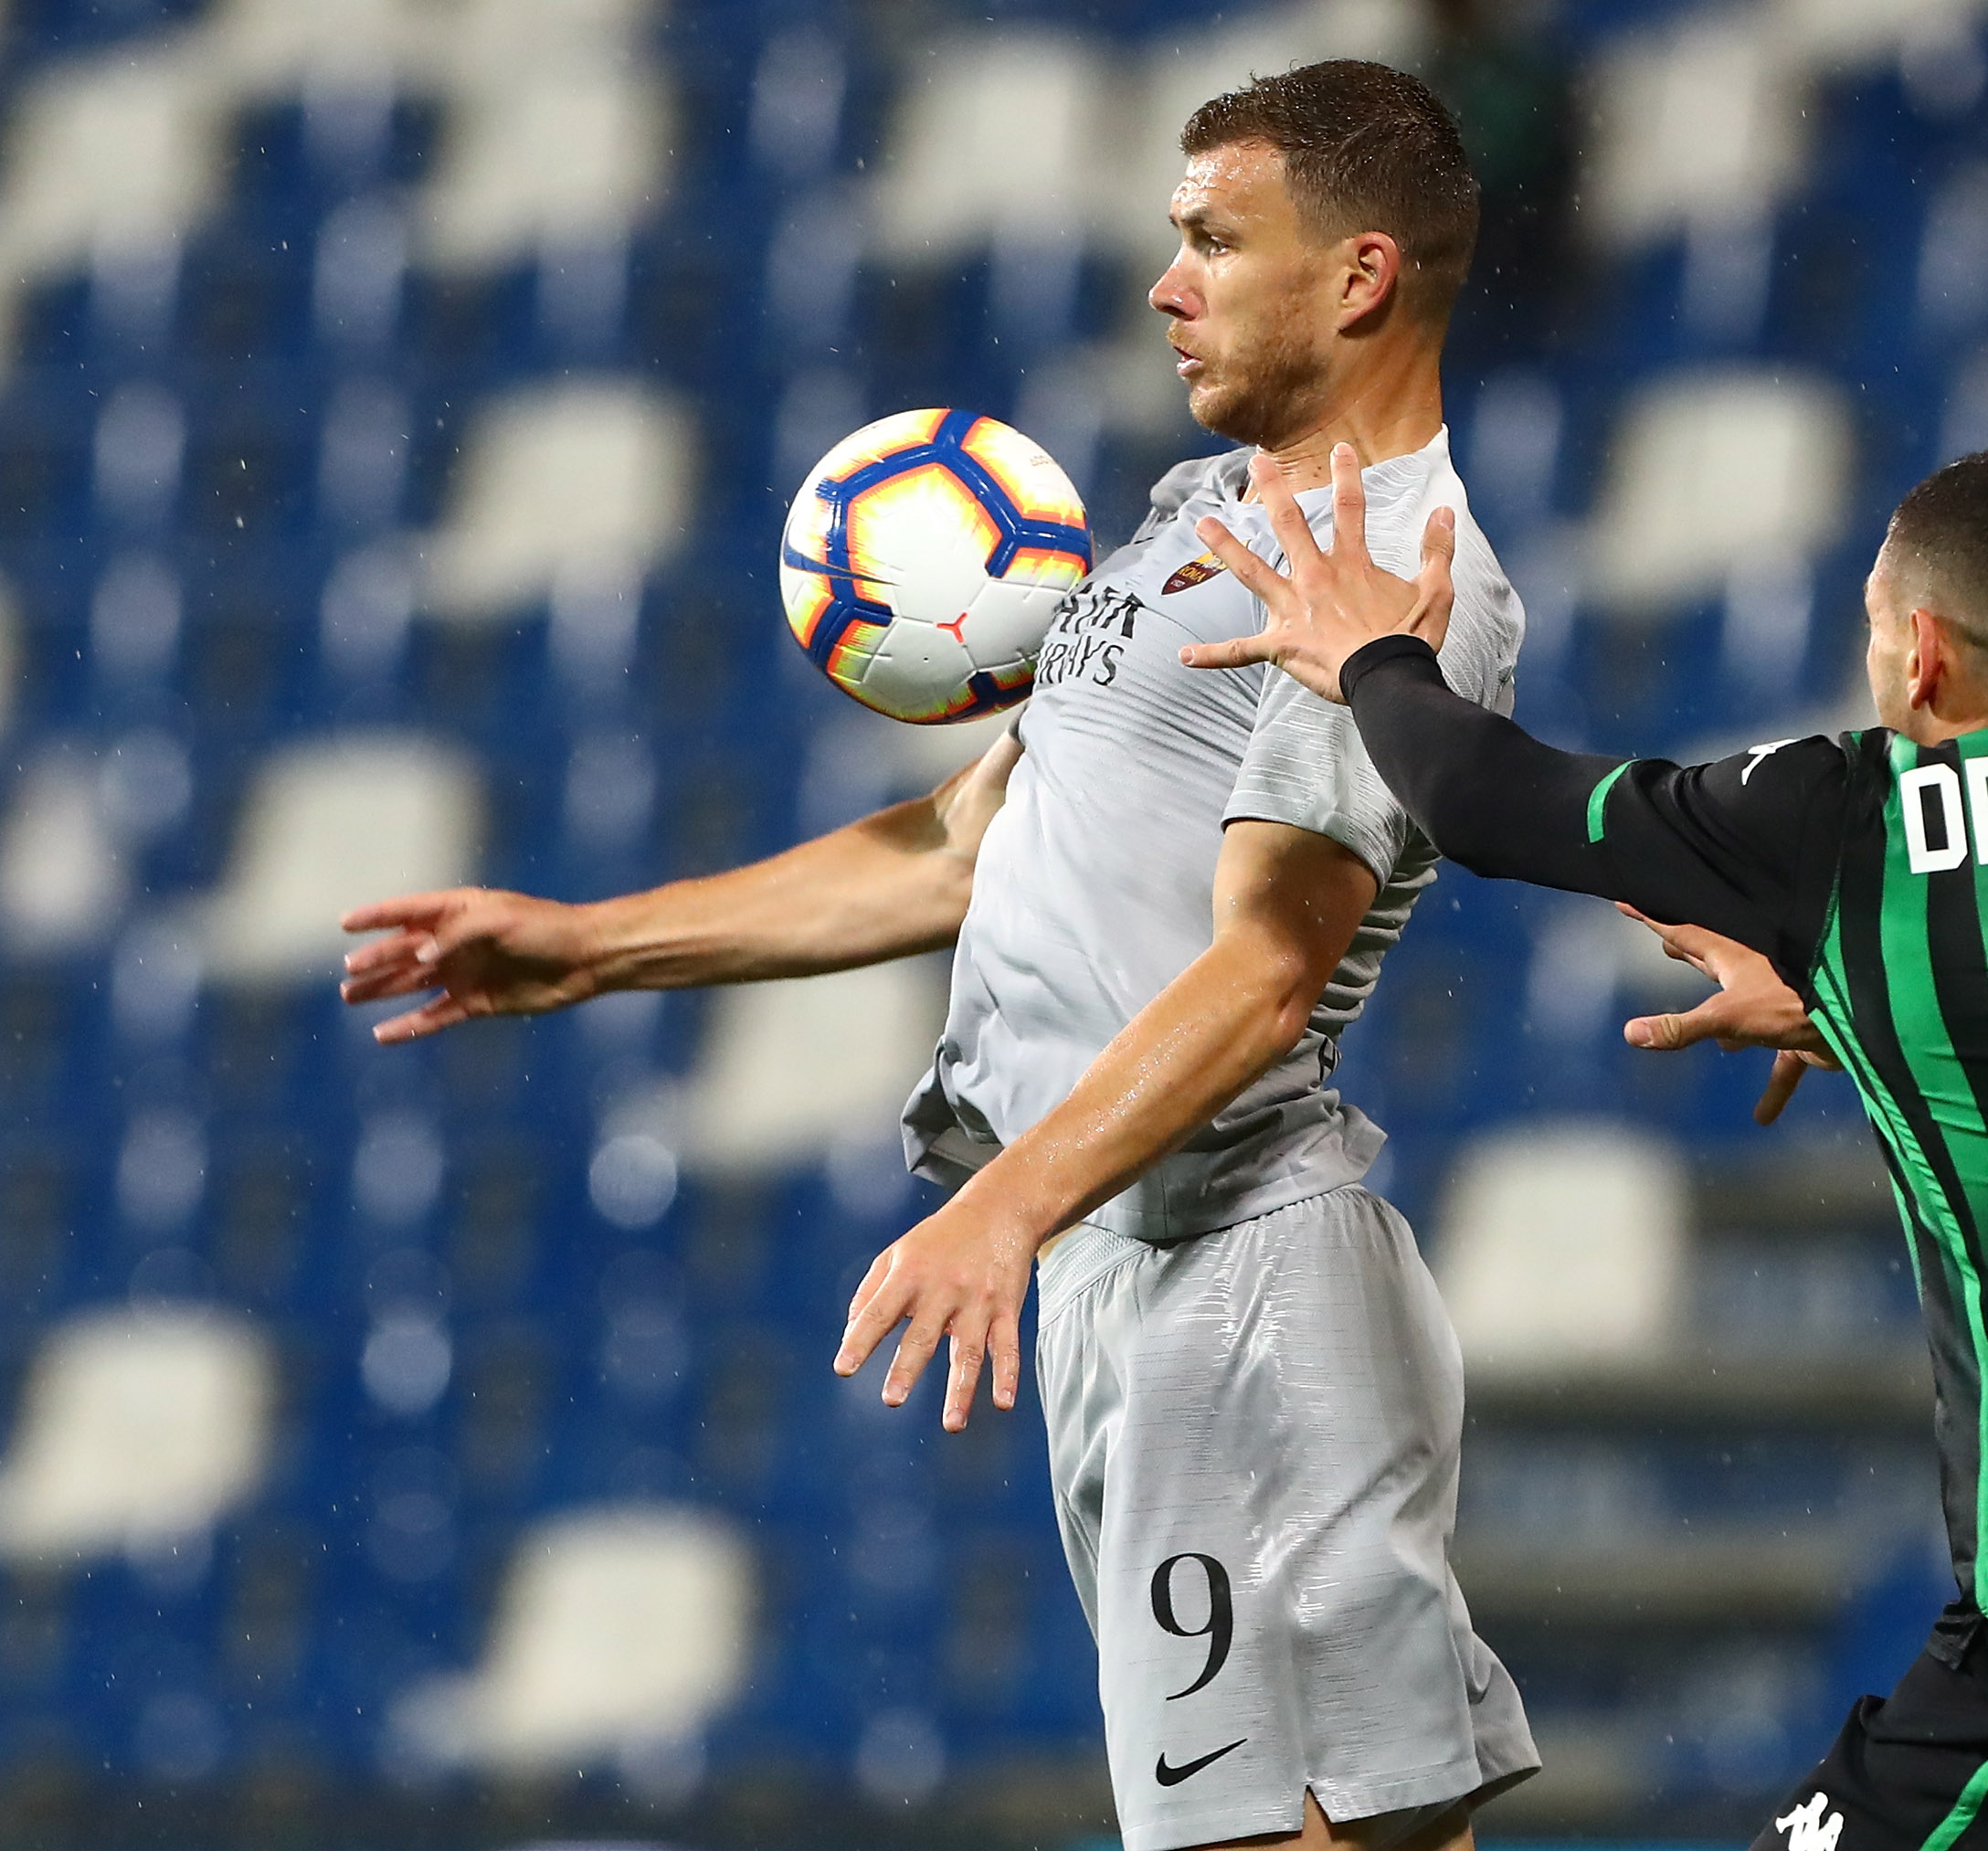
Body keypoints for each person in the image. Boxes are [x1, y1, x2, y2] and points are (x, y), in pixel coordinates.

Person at [340, 61, 1537, 1851]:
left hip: (1238, 1274)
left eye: (1216, 240)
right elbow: (964, 844)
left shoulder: (1396, 575)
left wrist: (1003, 1202)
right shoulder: (1196, 515)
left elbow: (1271, 970)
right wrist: (590, 949)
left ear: (1359, 277)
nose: (1168, 282)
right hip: (1135, 1279)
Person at [1182, 444, 1988, 1850]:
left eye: (1874, 623)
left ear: (1922, 654)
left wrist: (1378, 656)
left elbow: (1491, 798)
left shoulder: (1851, 817)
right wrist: (1857, 1004)